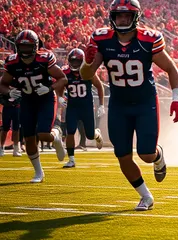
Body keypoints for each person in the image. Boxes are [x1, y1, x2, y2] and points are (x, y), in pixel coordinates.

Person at [80, 0, 178, 211]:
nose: (124, 19)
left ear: (136, 17)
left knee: (146, 154)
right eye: (119, 15)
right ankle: (146, 196)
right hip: (119, 104)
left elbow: (171, 68)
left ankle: (158, 155)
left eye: (128, 15)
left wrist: (176, 99)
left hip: (145, 103)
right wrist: (87, 62)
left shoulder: (148, 39)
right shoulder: (102, 40)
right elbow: (87, 74)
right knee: (123, 156)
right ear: (112, 17)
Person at [0, 30, 67, 182]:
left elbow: (62, 79)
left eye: (27, 47)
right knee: (29, 139)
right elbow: (2, 84)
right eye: (21, 47)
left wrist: (50, 88)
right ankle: (39, 173)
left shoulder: (44, 59)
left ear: (35, 47)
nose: (24, 51)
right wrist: (9, 92)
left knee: (43, 134)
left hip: (45, 99)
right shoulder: (12, 62)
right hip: (26, 101)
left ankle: (56, 135)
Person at [60, 48, 105, 168]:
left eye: (77, 61)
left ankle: (96, 133)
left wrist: (101, 104)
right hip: (72, 107)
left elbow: (100, 86)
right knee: (70, 132)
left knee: (90, 135)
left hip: (86, 107)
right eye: (73, 61)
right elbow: (60, 84)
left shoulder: (87, 71)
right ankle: (71, 160)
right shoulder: (65, 72)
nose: (74, 64)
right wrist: (60, 97)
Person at [0, 61, 22, 157]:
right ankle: (1, 147)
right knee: (5, 128)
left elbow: (23, 92)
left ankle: (16, 148)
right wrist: (5, 102)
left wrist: (19, 101)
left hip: (17, 107)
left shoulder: (19, 79)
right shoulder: (3, 81)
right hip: (7, 106)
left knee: (16, 128)